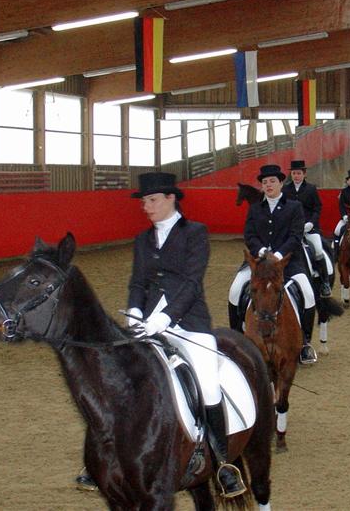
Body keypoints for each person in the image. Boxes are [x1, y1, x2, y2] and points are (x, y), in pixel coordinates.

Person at [77, 172, 246, 498]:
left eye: (152, 200)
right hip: (147, 325)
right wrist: (135, 313)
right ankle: (103, 456)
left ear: (171, 198)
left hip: (189, 325)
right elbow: (138, 283)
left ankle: (222, 462)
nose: (146, 207)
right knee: (115, 378)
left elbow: (192, 283)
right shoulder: (143, 239)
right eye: (144, 202)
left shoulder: (195, 233)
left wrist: (164, 319)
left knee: (208, 384)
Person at [227, 164, 319, 364]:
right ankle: (237, 340)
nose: (268, 185)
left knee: (308, 293)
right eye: (265, 182)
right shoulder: (255, 208)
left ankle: (305, 344)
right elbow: (249, 235)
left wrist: (278, 255)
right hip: (258, 262)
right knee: (234, 290)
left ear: (281, 183)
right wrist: (262, 252)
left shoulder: (294, 207)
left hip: (288, 262)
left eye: (272, 181)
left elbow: (295, 236)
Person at [282, 159, 332, 297]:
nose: (296, 176)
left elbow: (317, 208)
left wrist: (311, 223)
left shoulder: (311, 189)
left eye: (298, 173)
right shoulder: (285, 189)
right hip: (291, 229)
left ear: (304, 174)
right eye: (294, 173)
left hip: (309, 228)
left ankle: (325, 282)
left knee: (318, 250)